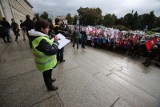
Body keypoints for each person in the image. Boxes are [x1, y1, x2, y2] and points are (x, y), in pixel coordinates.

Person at [28, 19, 59, 91]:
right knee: (46, 75)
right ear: (42, 28)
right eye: (47, 27)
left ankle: (50, 79)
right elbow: (52, 51)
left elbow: (46, 46)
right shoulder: (41, 39)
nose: (48, 29)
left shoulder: (38, 36)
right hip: (45, 63)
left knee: (48, 73)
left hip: (47, 62)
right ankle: (50, 87)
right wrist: (56, 42)